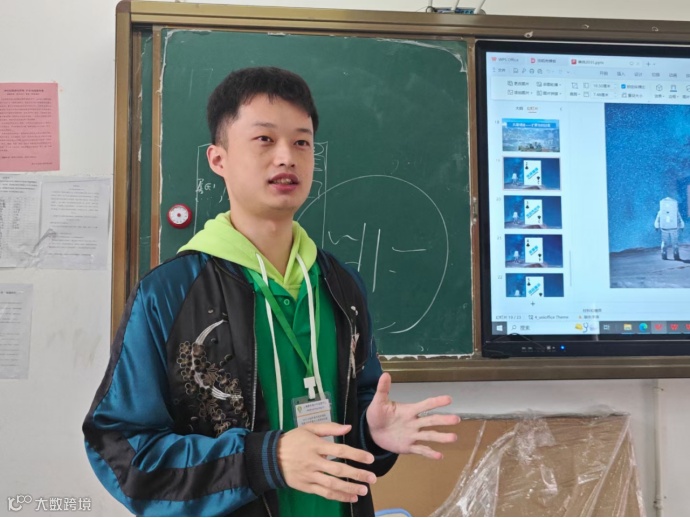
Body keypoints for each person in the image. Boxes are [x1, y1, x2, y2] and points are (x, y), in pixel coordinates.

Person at [83, 66, 460, 517]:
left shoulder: (341, 284)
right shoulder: (170, 293)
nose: (287, 157)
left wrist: (371, 434)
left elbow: (355, 409)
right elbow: (123, 452)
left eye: (302, 142)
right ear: (218, 159)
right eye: (264, 139)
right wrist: (264, 460)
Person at [654, 196, 685, 261]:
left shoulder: (661, 211)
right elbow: (679, 219)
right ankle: (676, 256)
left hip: (664, 229)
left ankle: (664, 255)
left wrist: (656, 226)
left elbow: (657, 219)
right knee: (675, 243)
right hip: (674, 228)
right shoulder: (675, 211)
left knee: (664, 242)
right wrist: (682, 226)